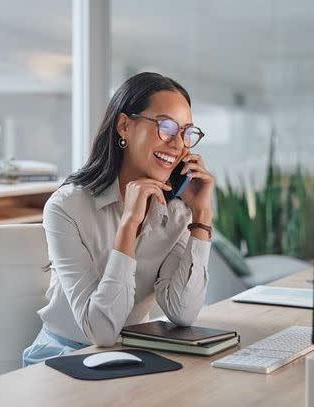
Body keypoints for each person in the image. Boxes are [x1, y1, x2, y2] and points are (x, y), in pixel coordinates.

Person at [23, 72, 215, 366]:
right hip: (63, 356)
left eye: (186, 133)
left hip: (132, 353)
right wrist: (129, 224)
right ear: (124, 126)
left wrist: (201, 216)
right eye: (166, 127)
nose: (178, 145)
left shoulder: (177, 213)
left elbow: (182, 312)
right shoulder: (66, 207)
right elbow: (101, 331)